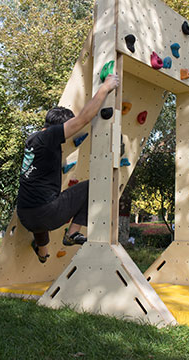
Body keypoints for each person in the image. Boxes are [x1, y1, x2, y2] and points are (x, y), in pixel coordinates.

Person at [16, 74, 120, 263]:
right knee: (93, 185)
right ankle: (72, 234)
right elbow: (82, 119)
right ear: (60, 127)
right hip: (45, 214)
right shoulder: (49, 137)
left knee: (43, 209)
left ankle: (42, 252)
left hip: (25, 214)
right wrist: (105, 87)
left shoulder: (33, 139)